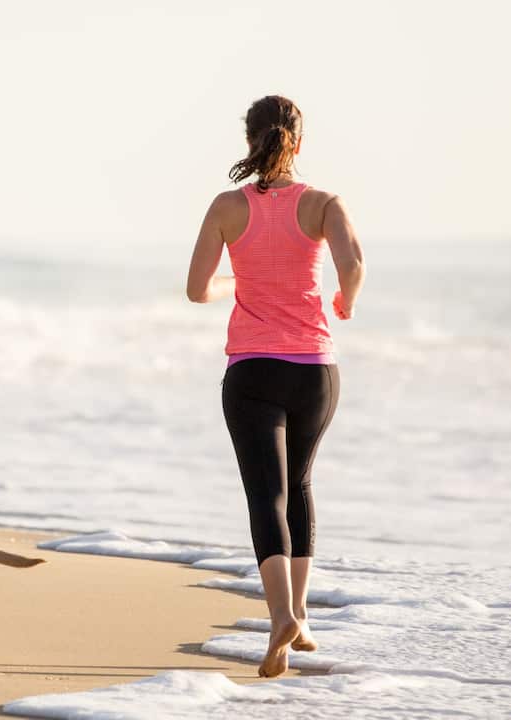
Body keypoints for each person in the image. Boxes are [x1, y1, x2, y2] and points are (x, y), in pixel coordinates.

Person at [186, 95, 365, 679]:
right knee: (301, 485)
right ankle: (301, 617)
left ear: (248, 140)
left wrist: (237, 278)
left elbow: (195, 289)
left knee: (266, 496)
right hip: (314, 368)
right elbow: (353, 262)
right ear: (299, 141)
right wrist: (344, 301)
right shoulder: (322, 203)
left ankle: (281, 616)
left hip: (252, 370)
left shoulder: (225, 207)